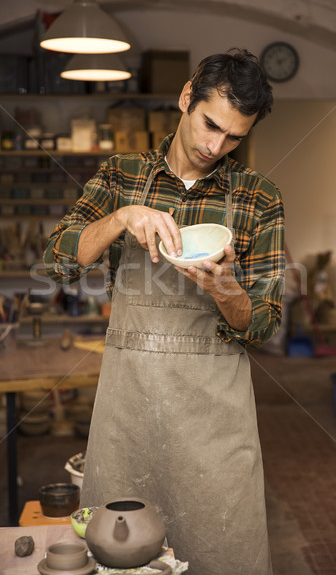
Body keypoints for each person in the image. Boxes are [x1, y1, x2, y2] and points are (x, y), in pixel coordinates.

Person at [44, 48, 284, 575]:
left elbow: (264, 323)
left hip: (214, 424)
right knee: (119, 556)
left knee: (225, 555)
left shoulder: (257, 197)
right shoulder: (121, 175)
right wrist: (122, 217)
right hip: (127, 414)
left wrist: (228, 292)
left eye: (234, 138)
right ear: (185, 98)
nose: (214, 146)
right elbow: (58, 259)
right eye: (210, 125)